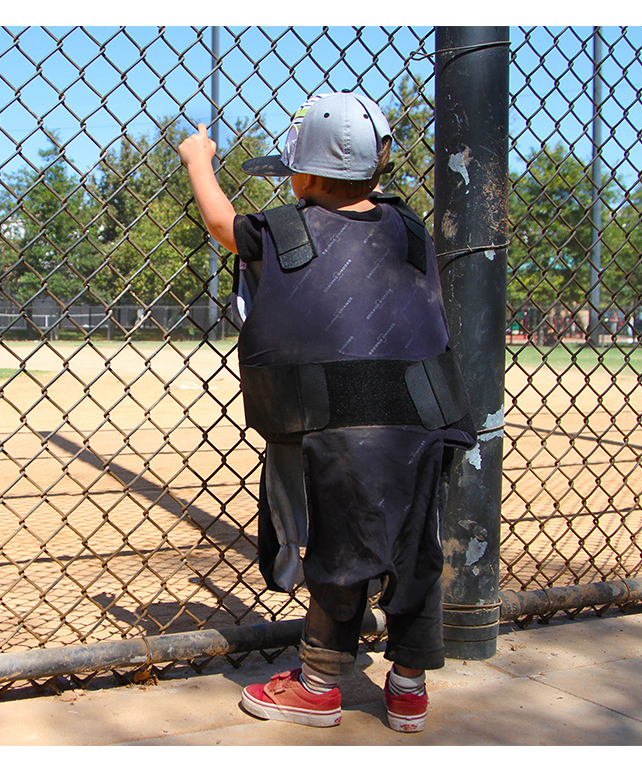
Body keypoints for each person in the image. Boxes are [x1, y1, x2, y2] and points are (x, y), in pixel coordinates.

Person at [177, 92, 476, 732]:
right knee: (417, 549)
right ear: (380, 166)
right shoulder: (411, 231)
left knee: (343, 550)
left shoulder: (283, 229)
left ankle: (318, 686)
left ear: (304, 174)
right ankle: (409, 688)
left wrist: (199, 161)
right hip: (422, 421)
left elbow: (222, 223)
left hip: (334, 425)